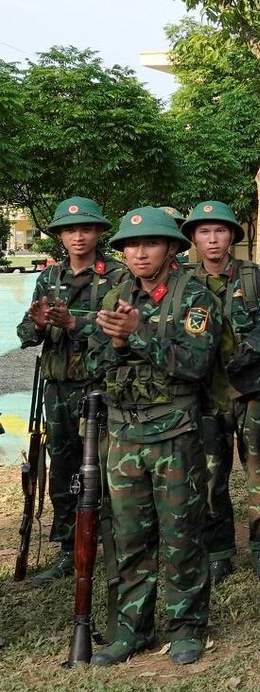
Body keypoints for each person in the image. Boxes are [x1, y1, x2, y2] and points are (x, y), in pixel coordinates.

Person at [88, 207, 220, 666]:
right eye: (131, 245)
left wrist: (138, 335)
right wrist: (117, 344)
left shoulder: (194, 297)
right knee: (128, 535)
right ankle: (132, 627)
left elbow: (195, 363)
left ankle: (186, 625)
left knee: (182, 533)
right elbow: (92, 364)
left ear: (171, 249)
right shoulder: (112, 296)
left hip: (175, 431)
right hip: (123, 432)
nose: (139, 252)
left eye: (150, 244)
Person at [17, 196, 128, 587]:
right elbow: (26, 335)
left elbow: (120, 329)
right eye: (69, 230)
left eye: (84, 229)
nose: (77, 236)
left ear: (98, 232)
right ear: (60, 236)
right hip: (58, 388)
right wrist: (36, 323)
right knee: (63, 469)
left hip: (100, 387)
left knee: (107, 467)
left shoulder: (116, 275)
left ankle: (117, 543)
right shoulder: (49, 278)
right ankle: (70, 548)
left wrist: (72, 323)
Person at [183, 200, 260, 584]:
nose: (213, 239)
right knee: (211, 474)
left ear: (232, 237)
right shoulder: (183, 282)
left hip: (252, 390)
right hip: (207, 395)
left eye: (220, 231)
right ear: (193, 238)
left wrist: (245, 354)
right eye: (204, 232)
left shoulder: (255, 277)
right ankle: (220, 550)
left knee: (258, 471)